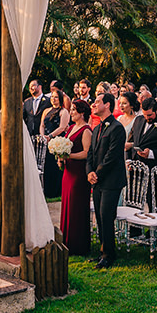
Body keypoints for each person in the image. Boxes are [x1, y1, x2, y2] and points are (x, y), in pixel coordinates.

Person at [87, 92, 126, 269]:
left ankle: (108, 254)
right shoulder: (96, 128)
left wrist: (98, 173)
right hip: (97, 180)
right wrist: (89, 172)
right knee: (99, 217)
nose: (94, 105)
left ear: (108, 105)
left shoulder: (117, 128)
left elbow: (112, 156)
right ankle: (103, 250)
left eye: (97, 102)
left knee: (106, 216)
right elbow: (90, 154)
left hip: (111, 180)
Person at [60, 99, 93, 256]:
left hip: (79, 174)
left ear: (82, 113)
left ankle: (77, 244)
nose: (71, 112)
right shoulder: (72, 127)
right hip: (68, 171)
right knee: (66, 204)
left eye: (74, 110)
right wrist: (61, 157)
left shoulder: (86, 130)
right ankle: (66, 240)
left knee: (76, 207)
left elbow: (87, 152)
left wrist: (69, 155)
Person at [40, 91, 70, 198]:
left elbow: (62, 127)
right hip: (46, 141)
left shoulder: (63, 111)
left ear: (60, 99)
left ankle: (57, 191)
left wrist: (50, 136)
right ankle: (47, 190)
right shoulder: (46, 111)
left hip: (57, 141)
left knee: (56, 166)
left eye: (56, 97)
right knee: (47, 165)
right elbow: (42, 125)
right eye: (52, 97)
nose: (53, 99)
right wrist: (43, 136)